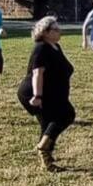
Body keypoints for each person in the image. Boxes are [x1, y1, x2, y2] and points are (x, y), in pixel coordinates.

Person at [17, 16, 76, 172]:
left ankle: (47, 160)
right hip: (36, 92)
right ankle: (43, 148)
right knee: (66, 115)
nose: (59, 31)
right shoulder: (41, 48)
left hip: (52, 92)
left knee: (48, 124)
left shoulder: (55, 46)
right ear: (45, 32)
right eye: (56, 29)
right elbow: (38, 73)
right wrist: (37, 96)